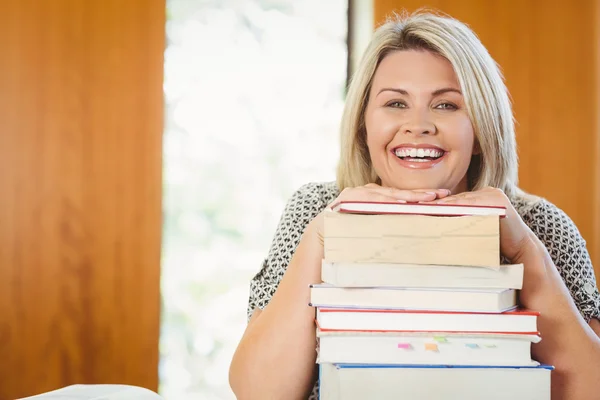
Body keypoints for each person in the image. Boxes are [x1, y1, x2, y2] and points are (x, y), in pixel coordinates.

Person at [229, 10, 600, 400]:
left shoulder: (541, 226)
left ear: (481, 129)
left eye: (446, 106)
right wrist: (323, 235)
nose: (418, 125)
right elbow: (258, 393)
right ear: (363, 125)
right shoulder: (316, 209)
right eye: (395, 104)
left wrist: (525, 250)